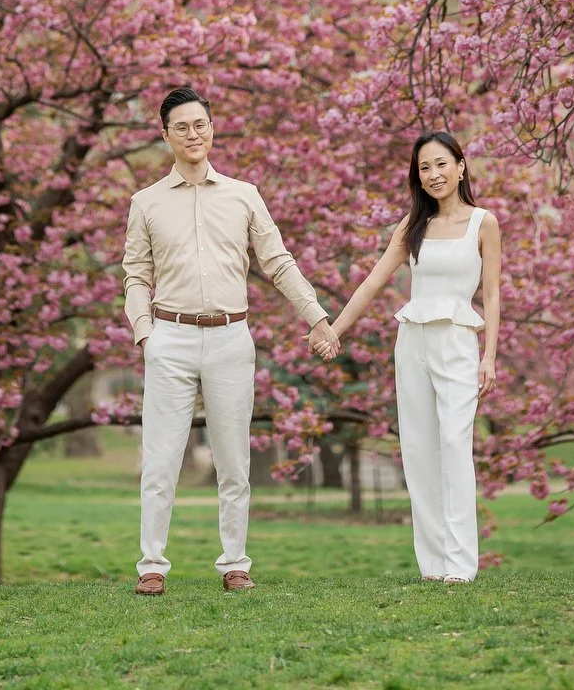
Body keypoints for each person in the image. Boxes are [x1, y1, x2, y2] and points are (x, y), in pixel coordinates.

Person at [122, 87, 338, 595]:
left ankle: (235, 563)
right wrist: (144, 334)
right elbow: (135, 274)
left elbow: (278, 261)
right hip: (169, 337)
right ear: (165, 135)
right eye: (181, 127)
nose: (193, 134)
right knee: (160, 459)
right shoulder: (145, 202)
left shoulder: (244, 195)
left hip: (229, 339)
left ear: (212, 129)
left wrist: (317, 317)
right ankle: (151, 566)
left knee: (233, 459)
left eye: (200, 124)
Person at [324, 131, 500, 583]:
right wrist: (333, 328)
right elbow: (372, 282)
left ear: (461, 166)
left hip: (459, 343)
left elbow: (493, 294)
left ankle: (461, 564)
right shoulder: (411, 227)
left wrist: (490, 356)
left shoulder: (485, 223)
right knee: (419, 449)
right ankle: (433, 564)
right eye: (424, 168)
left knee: (456, 446)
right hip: (413, 343)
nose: (434, 174)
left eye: (441, 164)